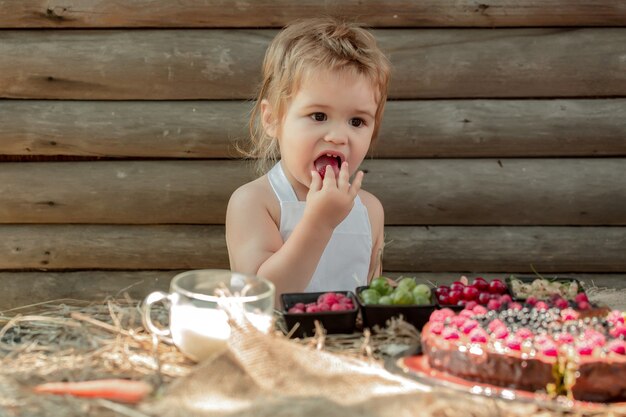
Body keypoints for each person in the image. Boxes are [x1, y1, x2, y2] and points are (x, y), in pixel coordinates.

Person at [226, 17, 391, 297]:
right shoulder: (256, 203)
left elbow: (368, 294)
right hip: (279, 341)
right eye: (319, 116)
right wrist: (319, 222)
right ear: (272, 119)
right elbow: (263, 298)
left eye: (357, 121)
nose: (338, 136)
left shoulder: (369, 210)